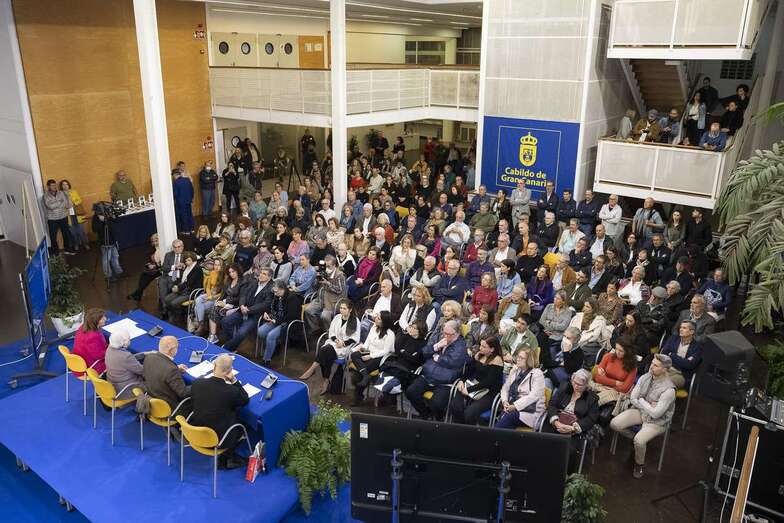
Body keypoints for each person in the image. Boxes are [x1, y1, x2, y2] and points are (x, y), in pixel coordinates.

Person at [610, 354, 676, 479]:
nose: (651, 367)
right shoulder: (645, 377)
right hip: (641, 411)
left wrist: (643, 401)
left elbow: (656, 414)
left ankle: (639, 464)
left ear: (665, 370)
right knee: (614, 424)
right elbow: (633, 398)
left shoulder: (669, 390)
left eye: (656, 365)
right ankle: (635, 440)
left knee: (640, 441)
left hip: (657, 422)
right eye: (652, 363)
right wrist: (648, 405)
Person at [189, 354, 249, 470]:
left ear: (214, 366)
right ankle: (227, 457)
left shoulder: (197, 383)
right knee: (244, 424)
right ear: (229, 371)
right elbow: (245, 399)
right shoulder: (231, 391)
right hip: (220, 439)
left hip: (196, 431)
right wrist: (234, 380)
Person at [405, 320, 469, 420]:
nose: (446, 336)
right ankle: (427, 415)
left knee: (437, 403)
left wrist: (438, 358)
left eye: (449, 334)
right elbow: (424, 352)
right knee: (410, 391)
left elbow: (453, 362)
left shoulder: (461, 346)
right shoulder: (441, 338)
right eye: (444, 333)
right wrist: (436, 347)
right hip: (428, 376)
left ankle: (438, 419)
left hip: (445, 381)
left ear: (457, 333)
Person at [542, 369, 599, 470]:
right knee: (543, 442)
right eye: (574, 382)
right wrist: (555, 421)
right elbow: (552, 404)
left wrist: (572, 428)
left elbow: (591, 419)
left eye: (580, 385)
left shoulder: (592, 398)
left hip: (573, 430)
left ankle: (561, 474)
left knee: (567, 451)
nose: (576, 386)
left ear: (586, 385)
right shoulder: (564, 387)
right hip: (556, 423)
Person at [300, 299, 360, 394]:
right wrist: (336, 340)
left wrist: (343, 343)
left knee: (325, 351)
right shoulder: (337, 317)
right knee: (326, 351)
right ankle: (325, 380)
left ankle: (314, 369)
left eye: (344, 308)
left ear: (350, 310)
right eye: (340, 308)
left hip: (344, 347)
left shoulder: (355, 321)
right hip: (333, 343)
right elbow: (331, 332)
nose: (341, 310)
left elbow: (355, 338)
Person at [221, 268, 274, 352]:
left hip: (255, 315)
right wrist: (241, 305)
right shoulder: (254, 282)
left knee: (241, 332)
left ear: (269, 277)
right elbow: (243, 294)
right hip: (242, 310)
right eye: (261, 273)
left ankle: (227, 348)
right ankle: (232, 345)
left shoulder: (271, 288)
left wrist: (249, 309)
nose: (261, 275)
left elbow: (265, 305)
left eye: (264, 274)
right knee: (225, 321)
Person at [494, 345, 546, 430]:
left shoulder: (537, 374)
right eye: (518, 356)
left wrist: (515, 406)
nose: (518, 359)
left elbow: (533, 396)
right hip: (514, 407)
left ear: (529, 360)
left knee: (508, 418)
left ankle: (490, 437)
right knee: (506, 420)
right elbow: (505, 388)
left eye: (521, 358)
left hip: (531, 411)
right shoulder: (515, 370)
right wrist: (505, 401)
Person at [349, 311, 395, 405]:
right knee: (354, 355)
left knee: (358, 372)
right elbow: (367, 342)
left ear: (384, 322)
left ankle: (357, 397)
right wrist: (362, 349)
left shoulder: (390, 334)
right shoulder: (373, 327)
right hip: (369, 352)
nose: (375, 319)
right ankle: (365, 375)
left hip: (380, 357)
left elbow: (385, 351)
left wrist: (370, 356)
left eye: (378, 318)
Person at [257, 280, 304, 366]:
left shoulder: (293, 298)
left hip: (287, 323)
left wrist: (277, 321)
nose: (274, 294)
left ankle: (266, 360)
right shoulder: (277, 295)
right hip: (275, 319)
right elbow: (270, 306)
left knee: (271, 336)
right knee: (261, 331)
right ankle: (273, 347)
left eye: (276, 291)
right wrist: (266, 313)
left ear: (282, 289)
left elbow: (291, 316)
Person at [142, 336, 190, 411]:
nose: (178, 349)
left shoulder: (149, 357)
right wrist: (199, 384)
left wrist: (176, 368)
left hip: (152, 398)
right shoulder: (171, 370)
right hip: (170, 407)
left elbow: (159, 370)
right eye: (177, 347)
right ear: (171, 350)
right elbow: (183, 393)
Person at [303, 254, 346, 338]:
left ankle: (330, 333)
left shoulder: (340, 275)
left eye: (329, 266)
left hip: (333, 300)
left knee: (324, 316)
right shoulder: (323, 271)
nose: (327, 268)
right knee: (308, 310)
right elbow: (315, 286)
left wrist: (328, 283)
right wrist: (316, 278)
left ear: (334, 265)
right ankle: (316, 329)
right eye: (325, 266)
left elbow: (340, 290)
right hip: (320, 297)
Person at [592, 339, 637, 408]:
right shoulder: (608, 356)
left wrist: (605, 378)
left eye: (621, 351)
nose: (617, 352)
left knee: (595, 401)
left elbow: (625, 388)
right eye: (616, 349)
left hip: (616, 392)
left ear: (628, 352)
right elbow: (597, 378)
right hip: (601, 386)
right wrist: (615, 382)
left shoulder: (632, 367)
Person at [104, 329, 144, 399]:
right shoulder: (126, 356)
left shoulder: (110, 348)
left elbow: (124, 361)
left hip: (112, 384)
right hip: (125, 389)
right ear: (124, 343)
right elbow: (142, 371)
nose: (130, 341)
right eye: (129, 339)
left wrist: (143, 354)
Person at [660, 320, 701, 389]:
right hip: (666, 368)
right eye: (680, 327)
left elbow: (689, 365)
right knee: (649, 377)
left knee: (664, 383)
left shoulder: (697, 347)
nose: (681, 329)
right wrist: (682, 360)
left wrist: (672, 355)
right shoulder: (673, 338)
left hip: (681, 374)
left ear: (692, 332)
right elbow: (664, 353)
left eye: (684, 328)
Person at [163, 252, 201, 319]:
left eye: (189, 260)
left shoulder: (197, 268)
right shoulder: (187, 267)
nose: (187, 262)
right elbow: (182, 280)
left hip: (191, 291)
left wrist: (178, 287)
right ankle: (175, 315)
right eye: (186, 261)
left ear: (193, 259)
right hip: (183, 289)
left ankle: (180, 316)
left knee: (174, 303)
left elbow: (189, 283)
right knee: (167, 299)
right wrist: (175, 285)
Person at [72, 308, 108, 375]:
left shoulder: (82, 327)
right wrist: (112, 348)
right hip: (92, 365)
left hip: (80, 361)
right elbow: (99, 356)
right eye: (102, 318)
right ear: (95, 321)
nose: (105, 319)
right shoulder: (93, 337)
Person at [43, 179, 74, 255]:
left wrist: (59, 202)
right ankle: (55, 253)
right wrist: (60, 202)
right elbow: (50, 206)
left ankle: (68, 249)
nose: (54, 187)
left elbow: (67, 205)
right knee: (53, 237)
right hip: (52, 219)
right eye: (52, 185)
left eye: (55, 185)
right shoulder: (45, 196)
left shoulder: (61, 193)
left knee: (66, 234)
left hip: (63, 217)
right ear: (48, 186)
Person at [92, 207, 123, 281]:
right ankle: (108, 276)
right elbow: (94, 229)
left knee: (115, 257)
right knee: (106, 259)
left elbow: (116, 221)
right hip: (105, 242)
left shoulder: (108, 214)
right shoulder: (96, 217)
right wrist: (101, 221)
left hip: (112, 240)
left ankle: (118, 272)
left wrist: (114, 216)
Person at [59, 180, 89, 252]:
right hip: (68, 216)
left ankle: (85, 244)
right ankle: (76, 244)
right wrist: (66, 204)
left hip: (77, 214)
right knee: (73, 232)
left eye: (66, 184)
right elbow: (60, 204)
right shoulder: (60, 194)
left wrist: (73, 201)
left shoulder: (73, 192)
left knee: (81, 231)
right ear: (61, 186)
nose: (65, 186)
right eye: (63, 185)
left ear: (69, 185)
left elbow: (79, 200)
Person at [172, 169, 194, 234]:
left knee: (183, 216)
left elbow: (175, 193)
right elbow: (192, 190)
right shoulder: (187, 180)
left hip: (180, 203)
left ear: (175, 175)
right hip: (188, 201)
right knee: (190, 215)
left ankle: (186, 230)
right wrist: (191, 198)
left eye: (173, 175)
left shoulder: (176, 182)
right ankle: (192, 229)